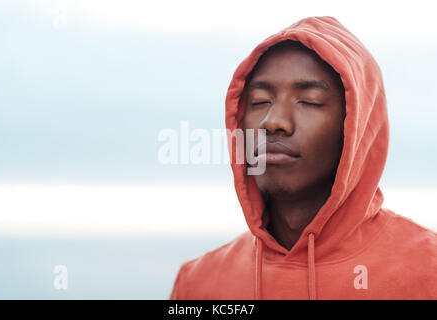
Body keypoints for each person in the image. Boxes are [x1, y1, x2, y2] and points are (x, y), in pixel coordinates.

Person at [169, 16, 436, 299]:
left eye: (309, 101)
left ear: (356, 126)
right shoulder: (198, 284)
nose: (274, 122)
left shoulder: (428, 271)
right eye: (260, 102)